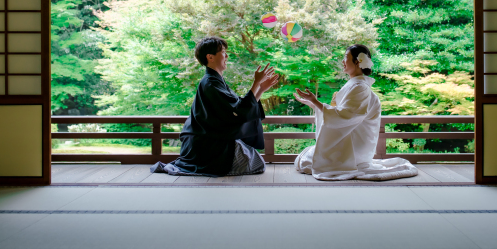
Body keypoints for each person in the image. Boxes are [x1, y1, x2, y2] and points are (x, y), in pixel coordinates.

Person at [152, 36, 278, 177]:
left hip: (213, 139)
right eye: (223, 52)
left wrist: (260, 89)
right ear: (210, 57)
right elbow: (239, 111)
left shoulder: (215, 81)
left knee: (256, 162)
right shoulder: (211, 83)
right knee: (256, 164)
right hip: (207, 145)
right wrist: (256, 83)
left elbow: (240, 108)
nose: (227, 56)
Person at [293, 44, 419, 181]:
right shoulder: (356, 85)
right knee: (306, 158)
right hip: (351, 141)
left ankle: (348, 162)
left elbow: (344, 115)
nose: (343, 61)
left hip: (355, 147)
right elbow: (341, 113)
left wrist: (317, 103)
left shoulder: (360, 87)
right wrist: (313, 104)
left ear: (358, 62)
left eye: (346, 57)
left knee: (306, 161)